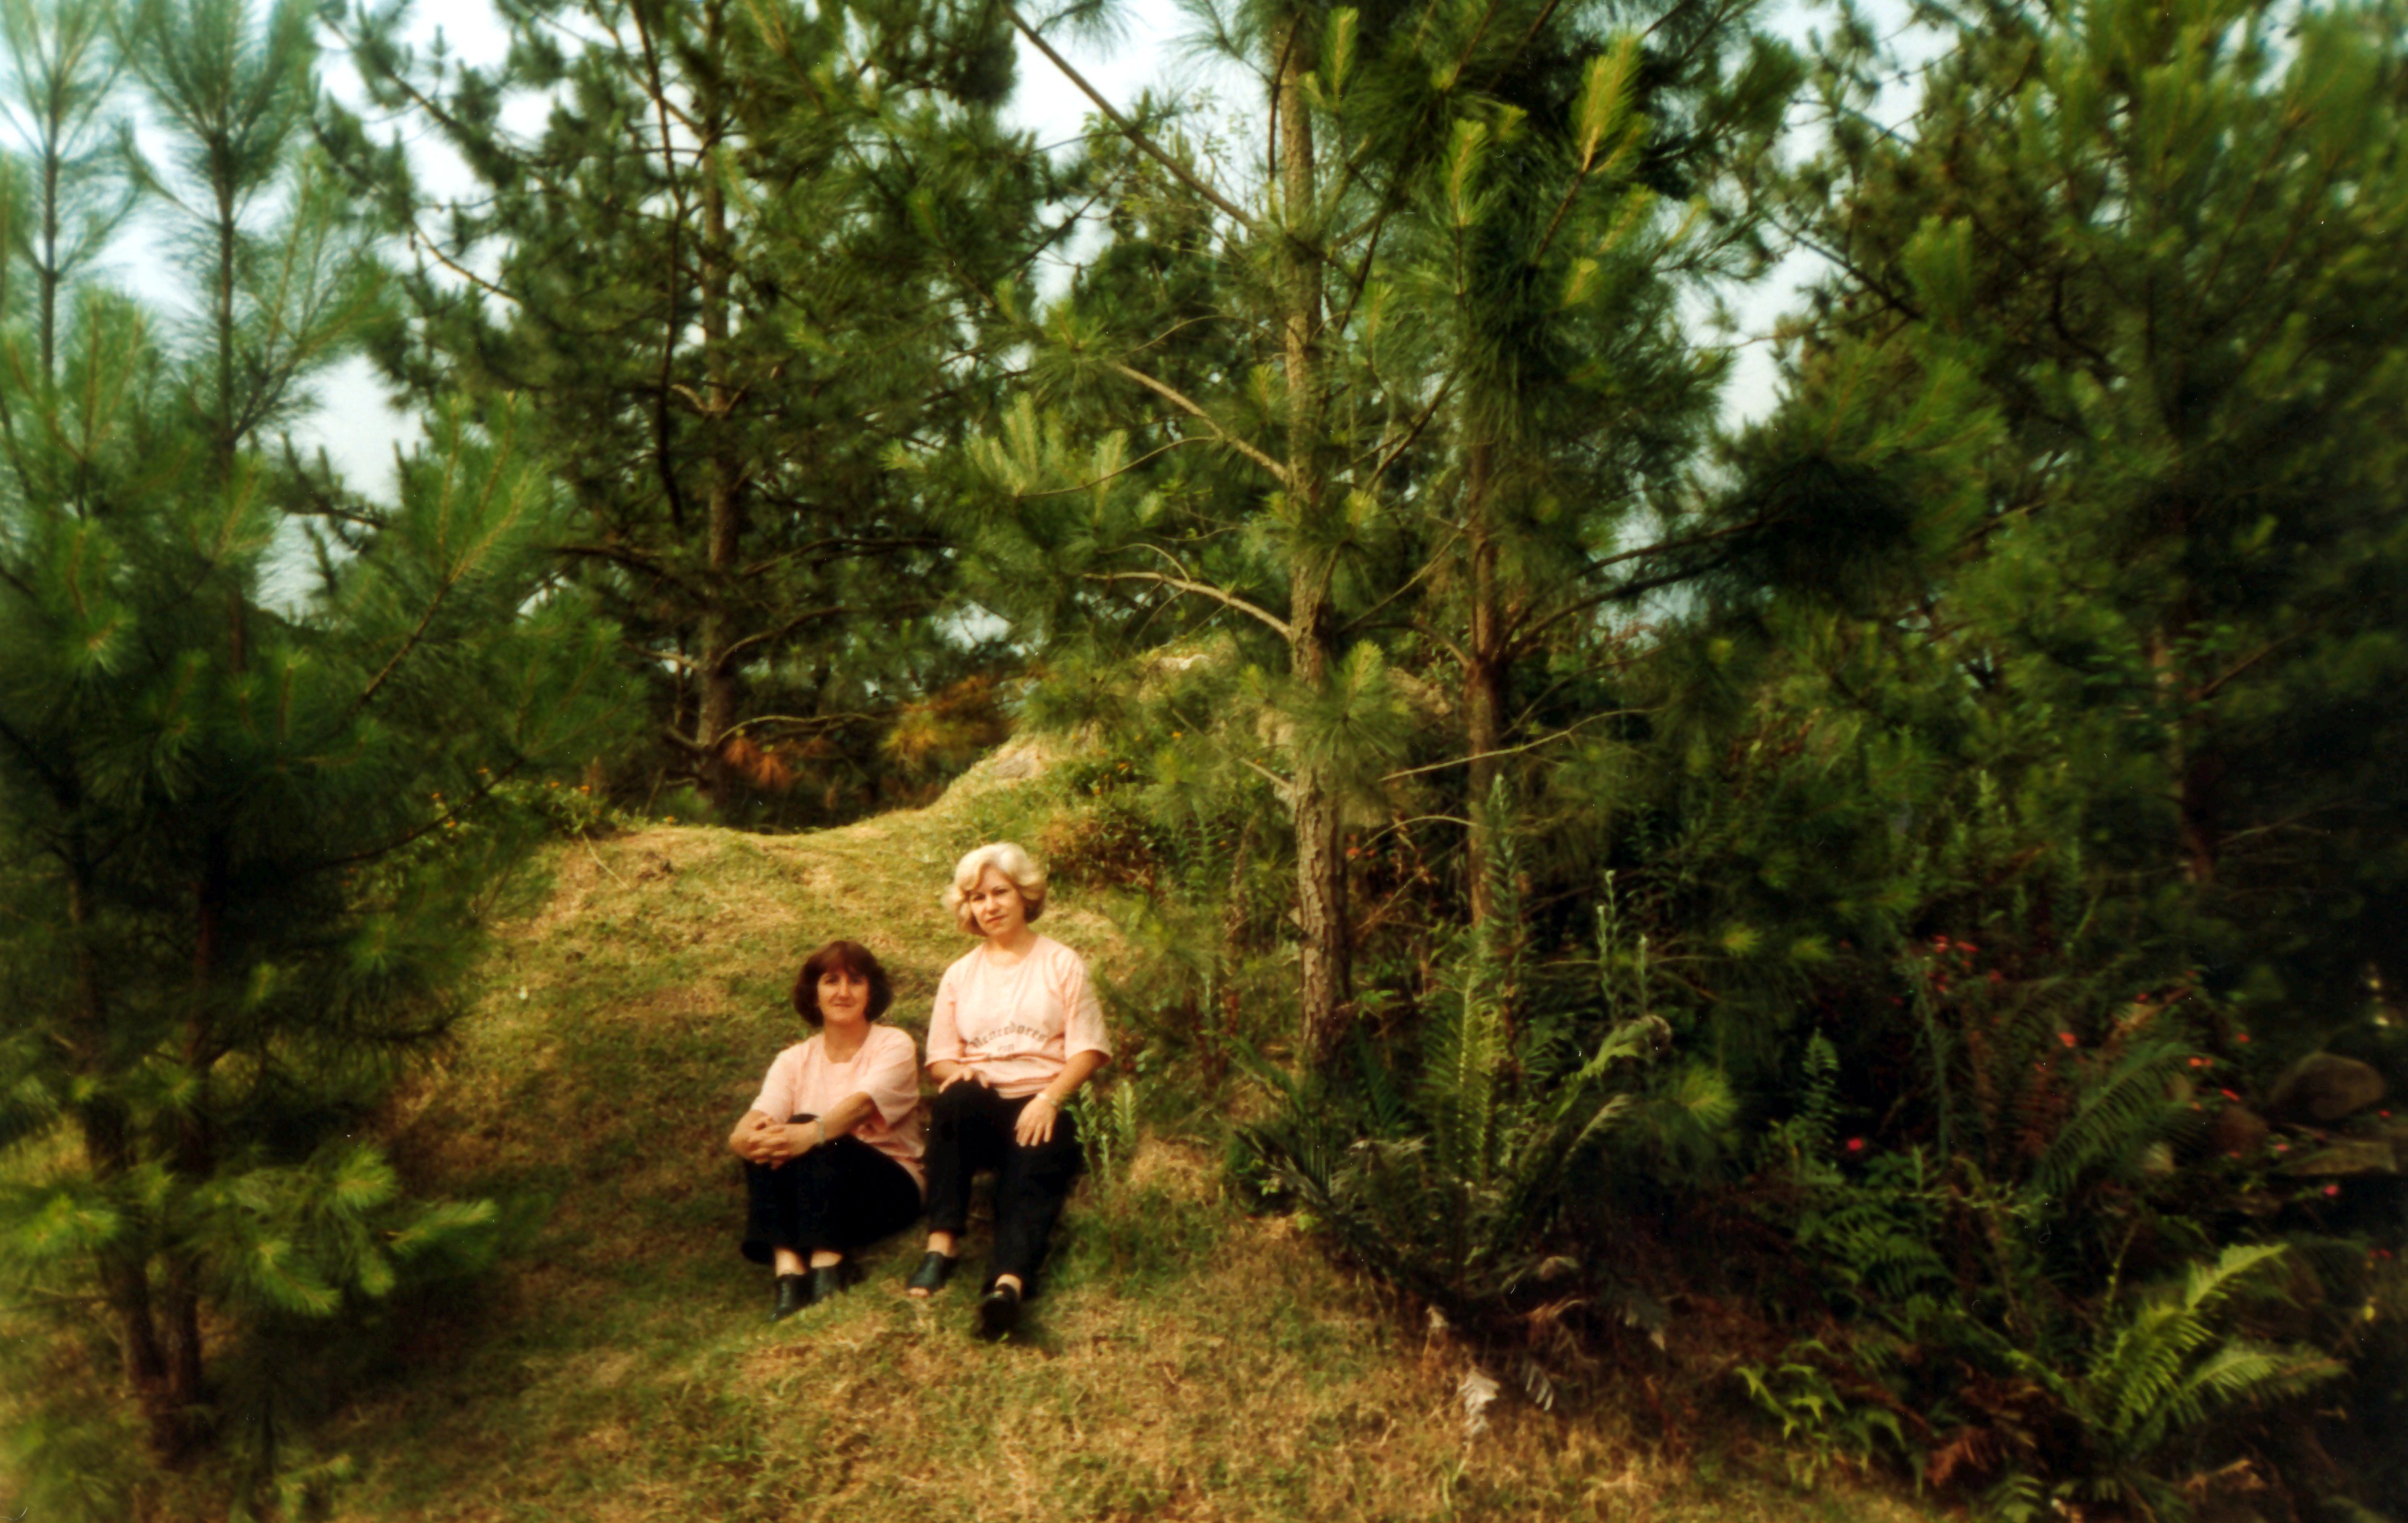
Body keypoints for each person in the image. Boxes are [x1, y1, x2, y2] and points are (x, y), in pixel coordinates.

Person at [907, 842, 1111, 1338]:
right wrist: (958, 1072)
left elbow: (1088, 1050)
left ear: (1024, 896)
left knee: (1031, 1170)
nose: (990, 906)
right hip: (980, 1104)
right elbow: (939, 1057)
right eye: (977, 897)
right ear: (966, 907)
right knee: (954, 1098)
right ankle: (941, 1246)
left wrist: (1048, 1098)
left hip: (1042, 1097)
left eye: (1000, 892)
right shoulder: (959, 974)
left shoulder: (1060, 962)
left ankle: (1007, 1286)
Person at [730, 940, 925, 1322]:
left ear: (871, 992)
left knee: (805, 1128)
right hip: (815, 1194)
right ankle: (789, 1271)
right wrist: (748, 1140)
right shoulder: (793, 1059)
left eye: (855, 981)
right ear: (814, 994)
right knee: (767, 1136)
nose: (843, 992)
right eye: (831, 981)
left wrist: (807, 1135)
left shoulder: (893, 1044)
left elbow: (860, 1107)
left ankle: (828, 1263)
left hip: (888, 1190)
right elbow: (756, 1118)